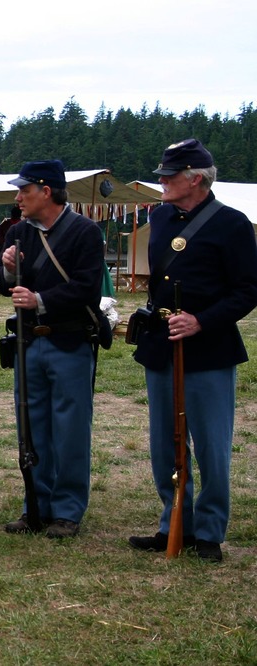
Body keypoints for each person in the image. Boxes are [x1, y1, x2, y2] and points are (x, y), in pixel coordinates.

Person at [128, 139, 257, 562]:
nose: (162, 182)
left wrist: (202, 320)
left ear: (195, 179)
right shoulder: (161, 217)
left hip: (209, 349)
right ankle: (174, 524)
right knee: (166, 442)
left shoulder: (232, 224)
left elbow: (247, 290)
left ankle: (209, 530)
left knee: (211, 445)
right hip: (162, 344)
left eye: (170, 176)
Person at [0, 160, 104, 539]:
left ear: (47, 191)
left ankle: (68, 510)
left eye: (25, 190)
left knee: (70, 428)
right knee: (31, 427)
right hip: (29, 342)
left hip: (69, 339)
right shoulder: (17, 232)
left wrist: (39, 299)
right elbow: (6, 284)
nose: (18, 197)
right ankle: (35, 506)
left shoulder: (85, 232)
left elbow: (87, 288)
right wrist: (8, 269)